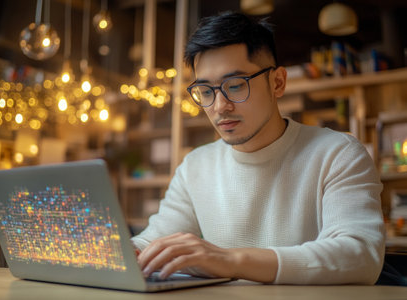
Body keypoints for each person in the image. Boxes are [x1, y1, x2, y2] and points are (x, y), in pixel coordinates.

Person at [131, 11, 385, 285]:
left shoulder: (337, 154)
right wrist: (122, 252)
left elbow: (360, 255)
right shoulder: (196, 166)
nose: (219, 107)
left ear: (277, 82)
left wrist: (229, 260)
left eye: (236, 85)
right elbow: (153, 242)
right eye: (206, 91)